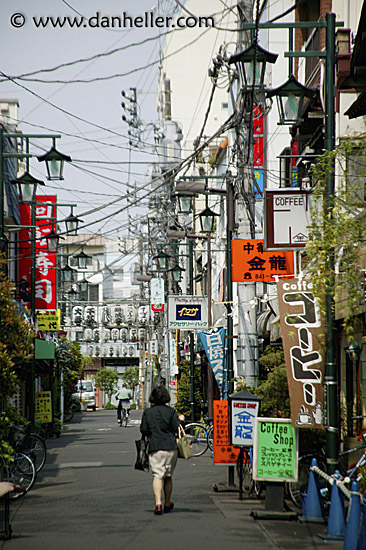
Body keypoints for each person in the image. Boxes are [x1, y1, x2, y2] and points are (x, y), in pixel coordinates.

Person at [140, 385, 179, 515]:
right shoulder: (171, 411)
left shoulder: (148, 412)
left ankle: (158, 503)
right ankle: (167, 502)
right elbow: (175, 428)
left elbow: (143, 430)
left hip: (155, 447)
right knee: (168, 476)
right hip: (171, 447)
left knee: (158, 475)